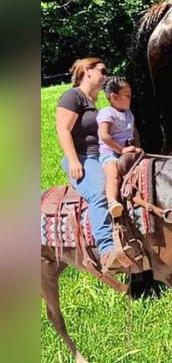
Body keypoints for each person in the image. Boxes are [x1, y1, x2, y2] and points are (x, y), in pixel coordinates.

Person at [55, 57, 123, 271]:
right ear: (88, 71)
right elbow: (63, 130)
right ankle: (106, 251)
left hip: (101, 157)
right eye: (102, 71)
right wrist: (74, 160)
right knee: (101, 193)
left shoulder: (94, 104)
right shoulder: (72, 96)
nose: (106, 76)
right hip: (83, 158)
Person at [97, 76, 140, 218]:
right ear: (114, 97)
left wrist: (136, 147)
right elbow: (104, 136)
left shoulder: (129, 113)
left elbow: (133, 132)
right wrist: (120, 150)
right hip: (110, 154)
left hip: (127, 152)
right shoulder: (107, 113)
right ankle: (112, 202)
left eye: (130, 94)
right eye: (126, 95)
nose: (130, 97)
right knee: (113, 174)